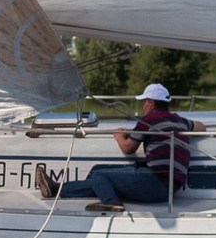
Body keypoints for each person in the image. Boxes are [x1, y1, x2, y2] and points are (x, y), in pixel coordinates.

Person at [38, 83, 202, 208]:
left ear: (151, 103)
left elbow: (128, 149)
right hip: (172, 189)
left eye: (144, 102)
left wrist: (118, 136)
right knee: (102, 184)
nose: (143, 105)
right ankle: (56, 189)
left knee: (99, 175)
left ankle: (112, 202)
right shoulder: (180, 121)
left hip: (155, 182)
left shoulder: (148, 121)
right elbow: (200, 126)